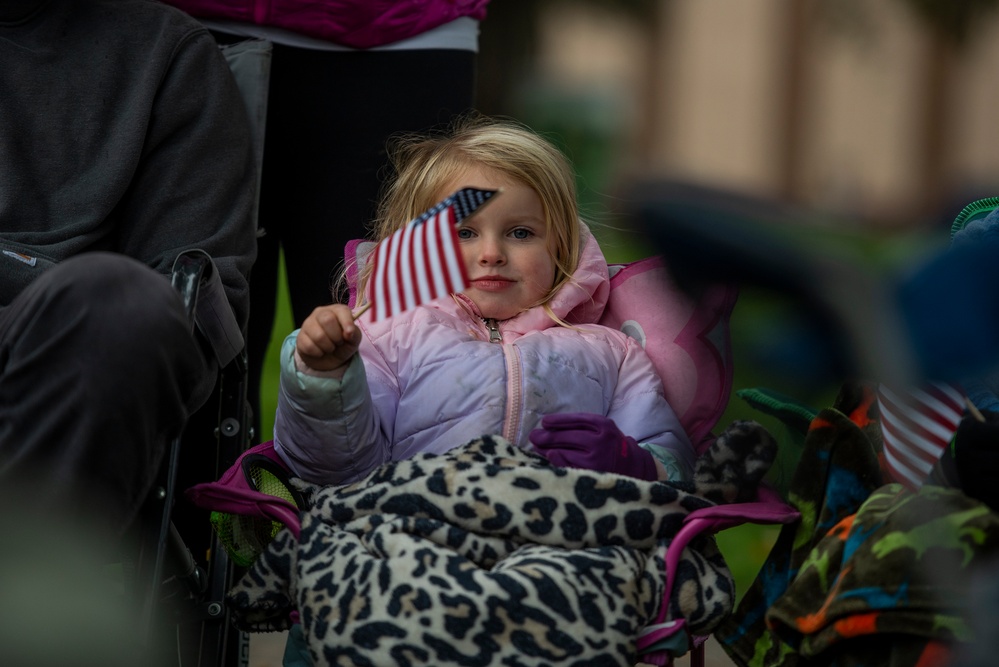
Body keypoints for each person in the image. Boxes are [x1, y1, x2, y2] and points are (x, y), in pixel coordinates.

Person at [272, 115, 695, 486]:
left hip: (566, 546)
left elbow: (674, 464)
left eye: (521, 233)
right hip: (413, 537)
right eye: (464, 233)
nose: (491, 253)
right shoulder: (385, 339)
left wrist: (633, 464)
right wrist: (324, 377)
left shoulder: (611, 355)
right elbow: (337, 470)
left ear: (561, 248)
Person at [158, 0, 491, 441]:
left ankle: (377, 505)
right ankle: (194, 504)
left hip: (406, 32)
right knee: (191, 310)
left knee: (392, 337)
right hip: (193, 24)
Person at [0, 0, 257, 539]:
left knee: (118, 300)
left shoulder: (163, 52)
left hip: (56, 359)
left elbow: (196, 302)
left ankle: (28, 595)